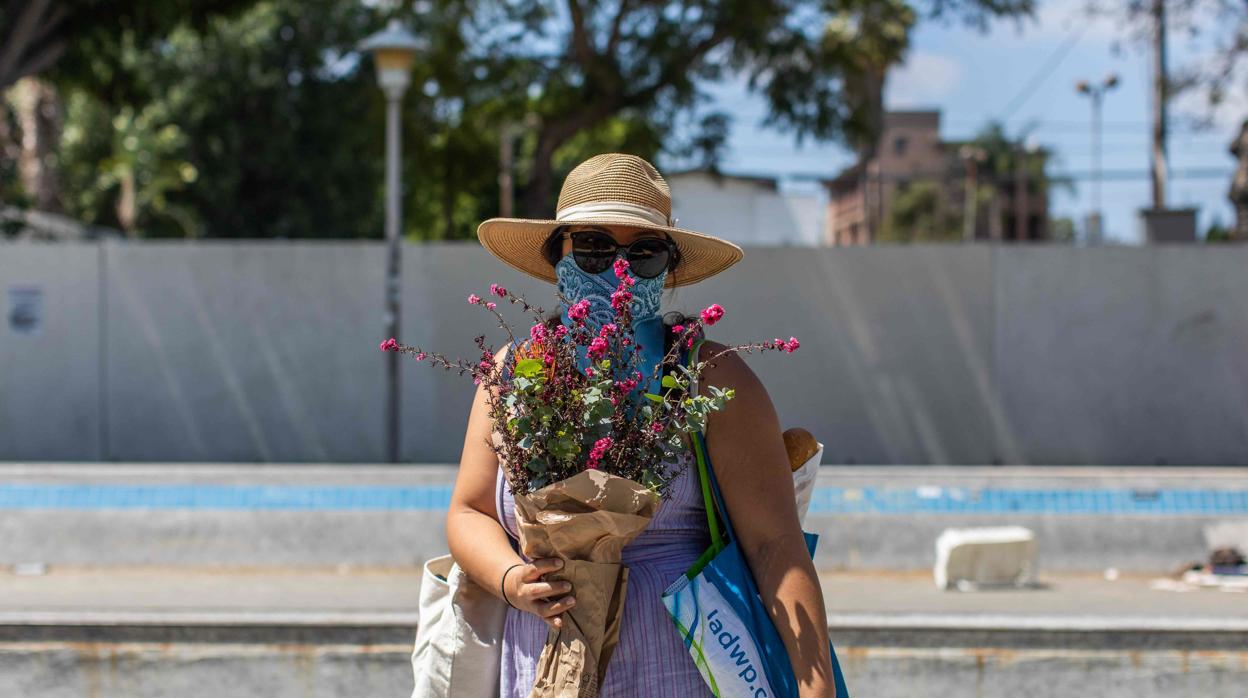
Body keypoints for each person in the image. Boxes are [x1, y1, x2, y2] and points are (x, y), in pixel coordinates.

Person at [445, 153, 839, 696]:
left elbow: (775, 545)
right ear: (555, 256)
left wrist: (814, 687)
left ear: (669, 266)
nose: (618, 270)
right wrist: (513, 580)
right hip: (542, 666)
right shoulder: (512, 373)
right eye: (593, 248)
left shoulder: (710, 379)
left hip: (682, 670)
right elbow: (469, 511)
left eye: (644, 252)